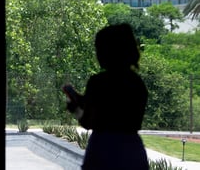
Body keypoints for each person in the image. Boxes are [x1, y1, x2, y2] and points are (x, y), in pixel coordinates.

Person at [63, 23, 149, 170]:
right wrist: (81, 99)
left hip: (103, 150)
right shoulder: (137, 83)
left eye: (98, 48)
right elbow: (117, 108)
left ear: (107, 51)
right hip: (133, 151)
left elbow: (88, 122)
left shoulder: (98, 82)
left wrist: (75, 109)